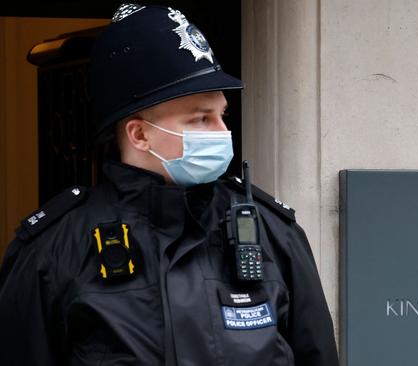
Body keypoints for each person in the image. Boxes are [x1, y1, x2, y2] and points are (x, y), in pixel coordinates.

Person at [0, 4, 339, 365]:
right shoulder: (56, 249)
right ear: (140, 134)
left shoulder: (273, 233)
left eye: (222, 115)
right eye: (200, 119)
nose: (224, 133)